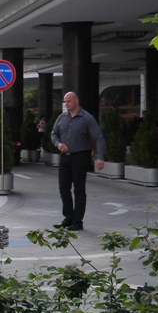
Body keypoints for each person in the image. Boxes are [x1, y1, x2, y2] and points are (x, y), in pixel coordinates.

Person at [49, 92, 105, 231]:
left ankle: (77, 221)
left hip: (80, 156)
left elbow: (98, 137)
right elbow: (54, 133)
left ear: (76, 101)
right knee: (64, 188)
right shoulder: (62, 118)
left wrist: (100, 157)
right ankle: (68, 218)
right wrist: (58, 144)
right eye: (65, 101)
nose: (66, 104)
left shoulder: (87, 118)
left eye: (68, 101)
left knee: (79, 190)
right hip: (65, 157)